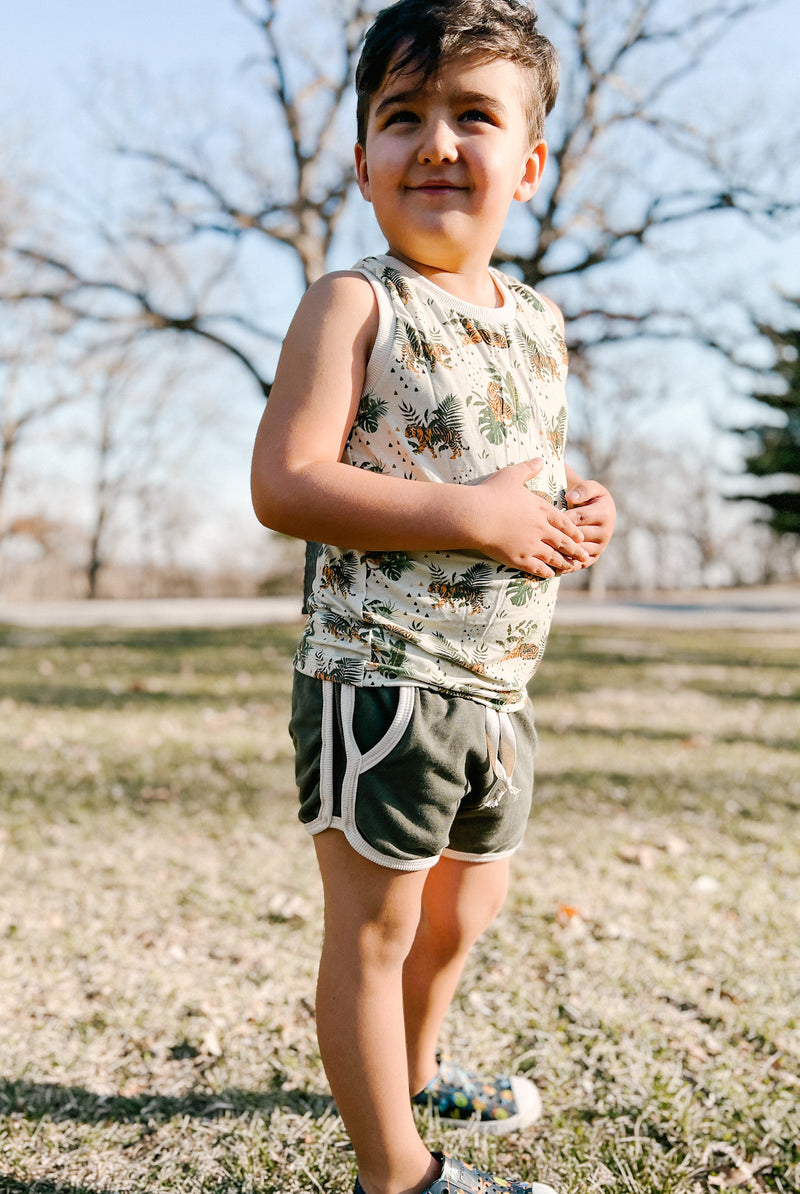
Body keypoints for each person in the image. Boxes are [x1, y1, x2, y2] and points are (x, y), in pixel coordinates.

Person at [251, 2, 615, 1191]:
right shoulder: (354, 301)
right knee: (377, 931)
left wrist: (572, 510)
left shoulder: (538, 324)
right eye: (402, 117)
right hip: (380, 677)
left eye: (474, 114)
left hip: (497, 681)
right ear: (362, 161)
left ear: (531, 160)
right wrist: (476, 517)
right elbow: (285, 482)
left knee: (464, 917)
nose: (438, 143)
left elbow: (515, 477)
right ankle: (398, 1174)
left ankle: (411, 1074)